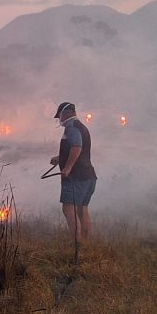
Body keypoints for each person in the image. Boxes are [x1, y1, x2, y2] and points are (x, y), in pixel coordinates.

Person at [49, 101, 96, 241]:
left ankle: (76, 245)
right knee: (82, 210)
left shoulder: (71, 127)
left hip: (76, 177)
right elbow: (78, 149)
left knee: (68, 209)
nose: (59, 119)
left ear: (67, 113)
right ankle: (85, 244)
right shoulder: (82, 127)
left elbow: (76, 147)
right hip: (89, 176)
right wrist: (60, 157)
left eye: (60, 116)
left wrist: (68, 167)